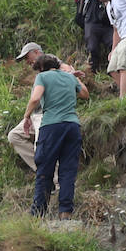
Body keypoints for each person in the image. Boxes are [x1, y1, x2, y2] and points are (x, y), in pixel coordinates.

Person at [23, 54, 89, 219]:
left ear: (40, 68)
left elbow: (35, 98)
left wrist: (26, 116)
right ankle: (65, 212)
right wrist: (74, 78)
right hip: (72, 126)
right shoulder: (69, 77)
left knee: (45, 169)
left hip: (51, 126)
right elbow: (85, 94)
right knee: (68, 170)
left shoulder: (42, 77)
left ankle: (38, 213)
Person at [9, 43, 76, 172]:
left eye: (27, 57)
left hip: (45, 115)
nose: (27, 61)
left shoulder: (49, 60)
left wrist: (26, 115)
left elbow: (65, 68)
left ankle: (55, 180)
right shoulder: (40, 71)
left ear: (36, 52)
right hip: (36, 114)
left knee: (43, 149)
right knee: (14, 136)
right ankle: (43, 172)